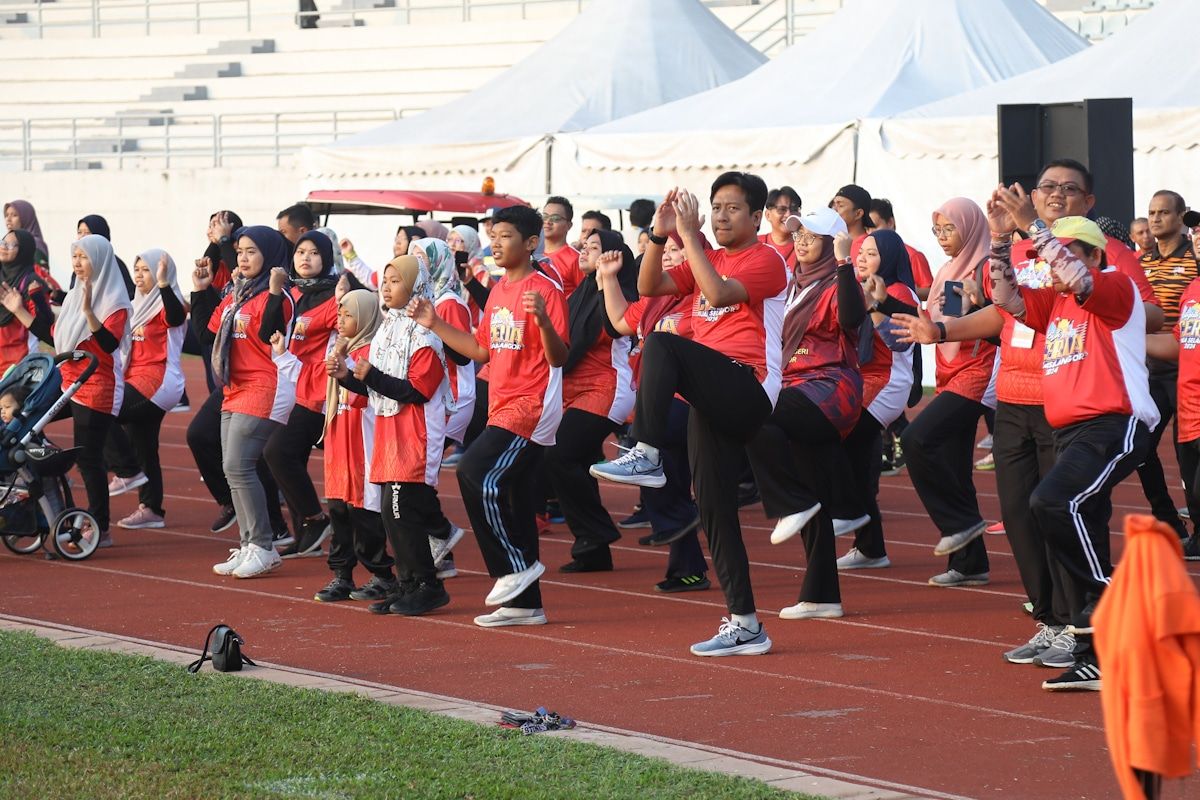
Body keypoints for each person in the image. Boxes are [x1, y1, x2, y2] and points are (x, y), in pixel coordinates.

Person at [591, 174, 787, 657]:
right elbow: (648, 286)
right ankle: (746, 624)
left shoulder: (768, 259)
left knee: (663, 343)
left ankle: (647, 452)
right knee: (714, 509)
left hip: (749, 385)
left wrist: (691, 237)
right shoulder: (707, 257)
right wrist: (660, 236)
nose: (720, 216)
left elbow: (718, 294)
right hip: (710, 394)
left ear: (756, 217)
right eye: (715, 207)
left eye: (732, 209)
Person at [987, 201, 1157, 693]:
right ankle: (1097, 657)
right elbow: (1005, 296)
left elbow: (1077, 277)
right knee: (1080, 528)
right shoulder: (1056, 303)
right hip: (1069, 432)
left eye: (1063, 252)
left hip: (1113, 423)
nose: (1050, 262)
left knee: (1052, 502)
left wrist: (1034, 225)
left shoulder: (1115, 288)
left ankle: (1117, 601)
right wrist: (1000, 241)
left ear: (1094, 255)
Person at [408, 204, 568, 629]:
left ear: (530, 243)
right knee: (514, 500)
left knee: (473, 471)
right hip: (502, 403)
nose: (495, 244)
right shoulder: (497, 291)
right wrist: (434, 323)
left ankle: (512, 567)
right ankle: (525, 604)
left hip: (531, 406)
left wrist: (544, 323)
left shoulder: (545, 289)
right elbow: (481, 350)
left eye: (505, 236)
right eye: (492, 236)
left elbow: (559, 357)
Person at [745, 206, 868, 620]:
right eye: (798, 235)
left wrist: (847, 263)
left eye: (811, 237)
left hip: (830, 389)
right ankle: (821, 595)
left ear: (833, 244)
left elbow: (851, 318)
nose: (800, 242)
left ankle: (794, 501)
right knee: (812, 494)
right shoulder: (791, 283)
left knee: (754, 414)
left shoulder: (838, 282)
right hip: (792, 389)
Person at [334, 256, 456, 615]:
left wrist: (370, 375)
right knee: (390, 513)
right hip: (389, 431)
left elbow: (417, 390)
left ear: (416, 287)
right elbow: (373, 389)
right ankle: (408, 584)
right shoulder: (388, 329)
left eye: (395, 280)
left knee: (401, 511)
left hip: (416, 431)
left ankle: (429, 585)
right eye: (384, 280)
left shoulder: (426, 335)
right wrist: (346, 376)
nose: (386, 287)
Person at [597, 233, 706, 592]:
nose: (668, 256)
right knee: (665, 475)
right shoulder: (655, 298)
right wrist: (609, 278)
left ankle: (680, 523)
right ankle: (688, 568)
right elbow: (619, 322)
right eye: (664, 251)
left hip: (693, 399)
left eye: (677, 250)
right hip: (656, 401)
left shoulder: (706, 296)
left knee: (650, 454)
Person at [900, 197, 997, 587]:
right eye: (937, 230)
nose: (942, 237)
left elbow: (1005, 319)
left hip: (978, 373)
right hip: (948, 373)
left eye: (949, 228)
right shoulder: (947, 271)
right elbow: (934, 322)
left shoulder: (988, 267)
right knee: (955, 469)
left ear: (970, 227)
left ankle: (960, 523)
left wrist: (982, 299)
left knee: (916, 439)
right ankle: (970, 564)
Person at [194, 225, 295, 579]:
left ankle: (264, 546)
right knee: (232, 468)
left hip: (265, 385)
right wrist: (201, 290)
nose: (243, 258)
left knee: (238, 466)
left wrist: (275, 291)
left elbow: (269, 334)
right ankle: (250, 543)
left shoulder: (280, 295)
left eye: (252, 251)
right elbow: (204, 335)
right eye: (239, 251)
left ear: (270, 254)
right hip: (234, 387)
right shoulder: (236, 294)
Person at [547, 229, 637, 573]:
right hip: (571, 390)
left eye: (594, 247)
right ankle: (593, 549)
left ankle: (596, 533)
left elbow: (587, 339)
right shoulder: (579, 293)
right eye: (583, 245)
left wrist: (605, 281)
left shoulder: (617, 293)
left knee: (559, 455)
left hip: (605, 389)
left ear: (613, 255)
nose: (583, 250)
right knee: (573, 462)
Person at [834, 229, 918, 571]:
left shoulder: (898, 291)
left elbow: (899, 341)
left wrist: (875, 306)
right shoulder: (860, 287)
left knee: (845, 440)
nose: (862, 258)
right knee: (859, 459)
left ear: (889, 257)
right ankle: (870, 547)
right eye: (860, 252)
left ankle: (851, 515)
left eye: (871, 253)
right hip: (864, 378)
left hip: (887, 380)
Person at [314, 289, 398, 602]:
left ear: (365, 317)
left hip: (362, 440)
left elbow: (365, 396)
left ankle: (383, 575)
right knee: (338, 507)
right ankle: (342, 575)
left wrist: (345, 366)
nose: (341, 320)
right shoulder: (341, 346)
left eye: (348, 315)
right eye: (340, 313)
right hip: (340, 438)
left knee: (362, 510)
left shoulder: (374, 350)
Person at [50, 234, 133, 548]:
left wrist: (88, 311)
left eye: (83, 257)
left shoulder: (114, 300)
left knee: (88, 459)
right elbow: (56, 335)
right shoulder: (74, 294)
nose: (77, 263)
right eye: (75, 256)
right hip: (67, 382)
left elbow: (109, 344)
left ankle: (100, 527)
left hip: (96, 386)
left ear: (99, 260)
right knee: (27, 425)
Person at [265, 230, 339, 558]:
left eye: (313, 253)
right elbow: (268, 330)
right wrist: (274, 292)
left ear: (326, 258)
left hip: (321, 393)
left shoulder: (336, 295)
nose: (305, 258)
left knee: (277, 452)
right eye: (300, 252)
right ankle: (306, 533)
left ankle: (315, 519)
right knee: (288, 456)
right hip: (295, 386)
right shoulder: (294, 293)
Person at [104, 250, 187, 530]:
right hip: (134, 379)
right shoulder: (134, 306)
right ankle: (151, 509)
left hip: (159, 380)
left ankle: (125, 470)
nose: (139, 275)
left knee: (102, 412)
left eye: (146, 270)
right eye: (137, 270)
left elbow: (175, 317)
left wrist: (163, 283)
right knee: (144, 445)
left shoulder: (170, 304)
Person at [1138, 189, 1198, 538]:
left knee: (1187, 452)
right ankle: (1168, 520)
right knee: (1140, 447)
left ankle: (1198, 530)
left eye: (1163, 212)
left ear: (1180, 216)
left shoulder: (1195, 257)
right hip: (1151, 370)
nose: (1156, 219)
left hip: (1187, 367)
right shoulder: (1140, 261)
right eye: (1152, 213)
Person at [413, 237, 476, 477]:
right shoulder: (425, 299)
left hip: (454, 396)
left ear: (438, 261)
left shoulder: (449, 303)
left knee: (420, 465)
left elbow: (462, 355)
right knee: (420, 466)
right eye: (413, 257)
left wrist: (433, 328)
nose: (415, 263)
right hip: (433, 394)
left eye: (421, 258)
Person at [0, 228, 54, 372]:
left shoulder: (32, 283)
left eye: (11, 245)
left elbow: (46, 328)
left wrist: (19, 310)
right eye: (3, 242)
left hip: (20, 365)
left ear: (24, 250)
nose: (4, 247)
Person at [868, 198, 933, 299]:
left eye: (874, 226)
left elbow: (931, 291)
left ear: (890, 223)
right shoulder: (864, 255)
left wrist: (901, 290)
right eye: (867, 228)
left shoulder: (913, 255)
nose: (870, 232)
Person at [4, 200, 62, 302]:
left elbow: (41, 278)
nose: (8, 219)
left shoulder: (35, 245)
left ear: (26, 218)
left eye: (14, 215)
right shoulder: (6, 242)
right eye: (7, 215)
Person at [76, 215, 135, 299]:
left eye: (87, 233)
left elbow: (128, 296)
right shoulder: (79, 264)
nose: (82, 237)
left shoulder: (113, 264)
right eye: (79, 232)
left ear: (100, 235)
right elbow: (76, 297)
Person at [542, 196, 584, 294]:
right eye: (544, 216)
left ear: (569, 225)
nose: (548, 222)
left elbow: (586, 296)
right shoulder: (530, 254)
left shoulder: (576, 259)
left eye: (555, 218)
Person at [760, 186, 801, 272]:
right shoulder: (755, 244)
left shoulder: (805, 247)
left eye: (794, 209)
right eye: (782, 209)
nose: (788, 214)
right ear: (768, 215)